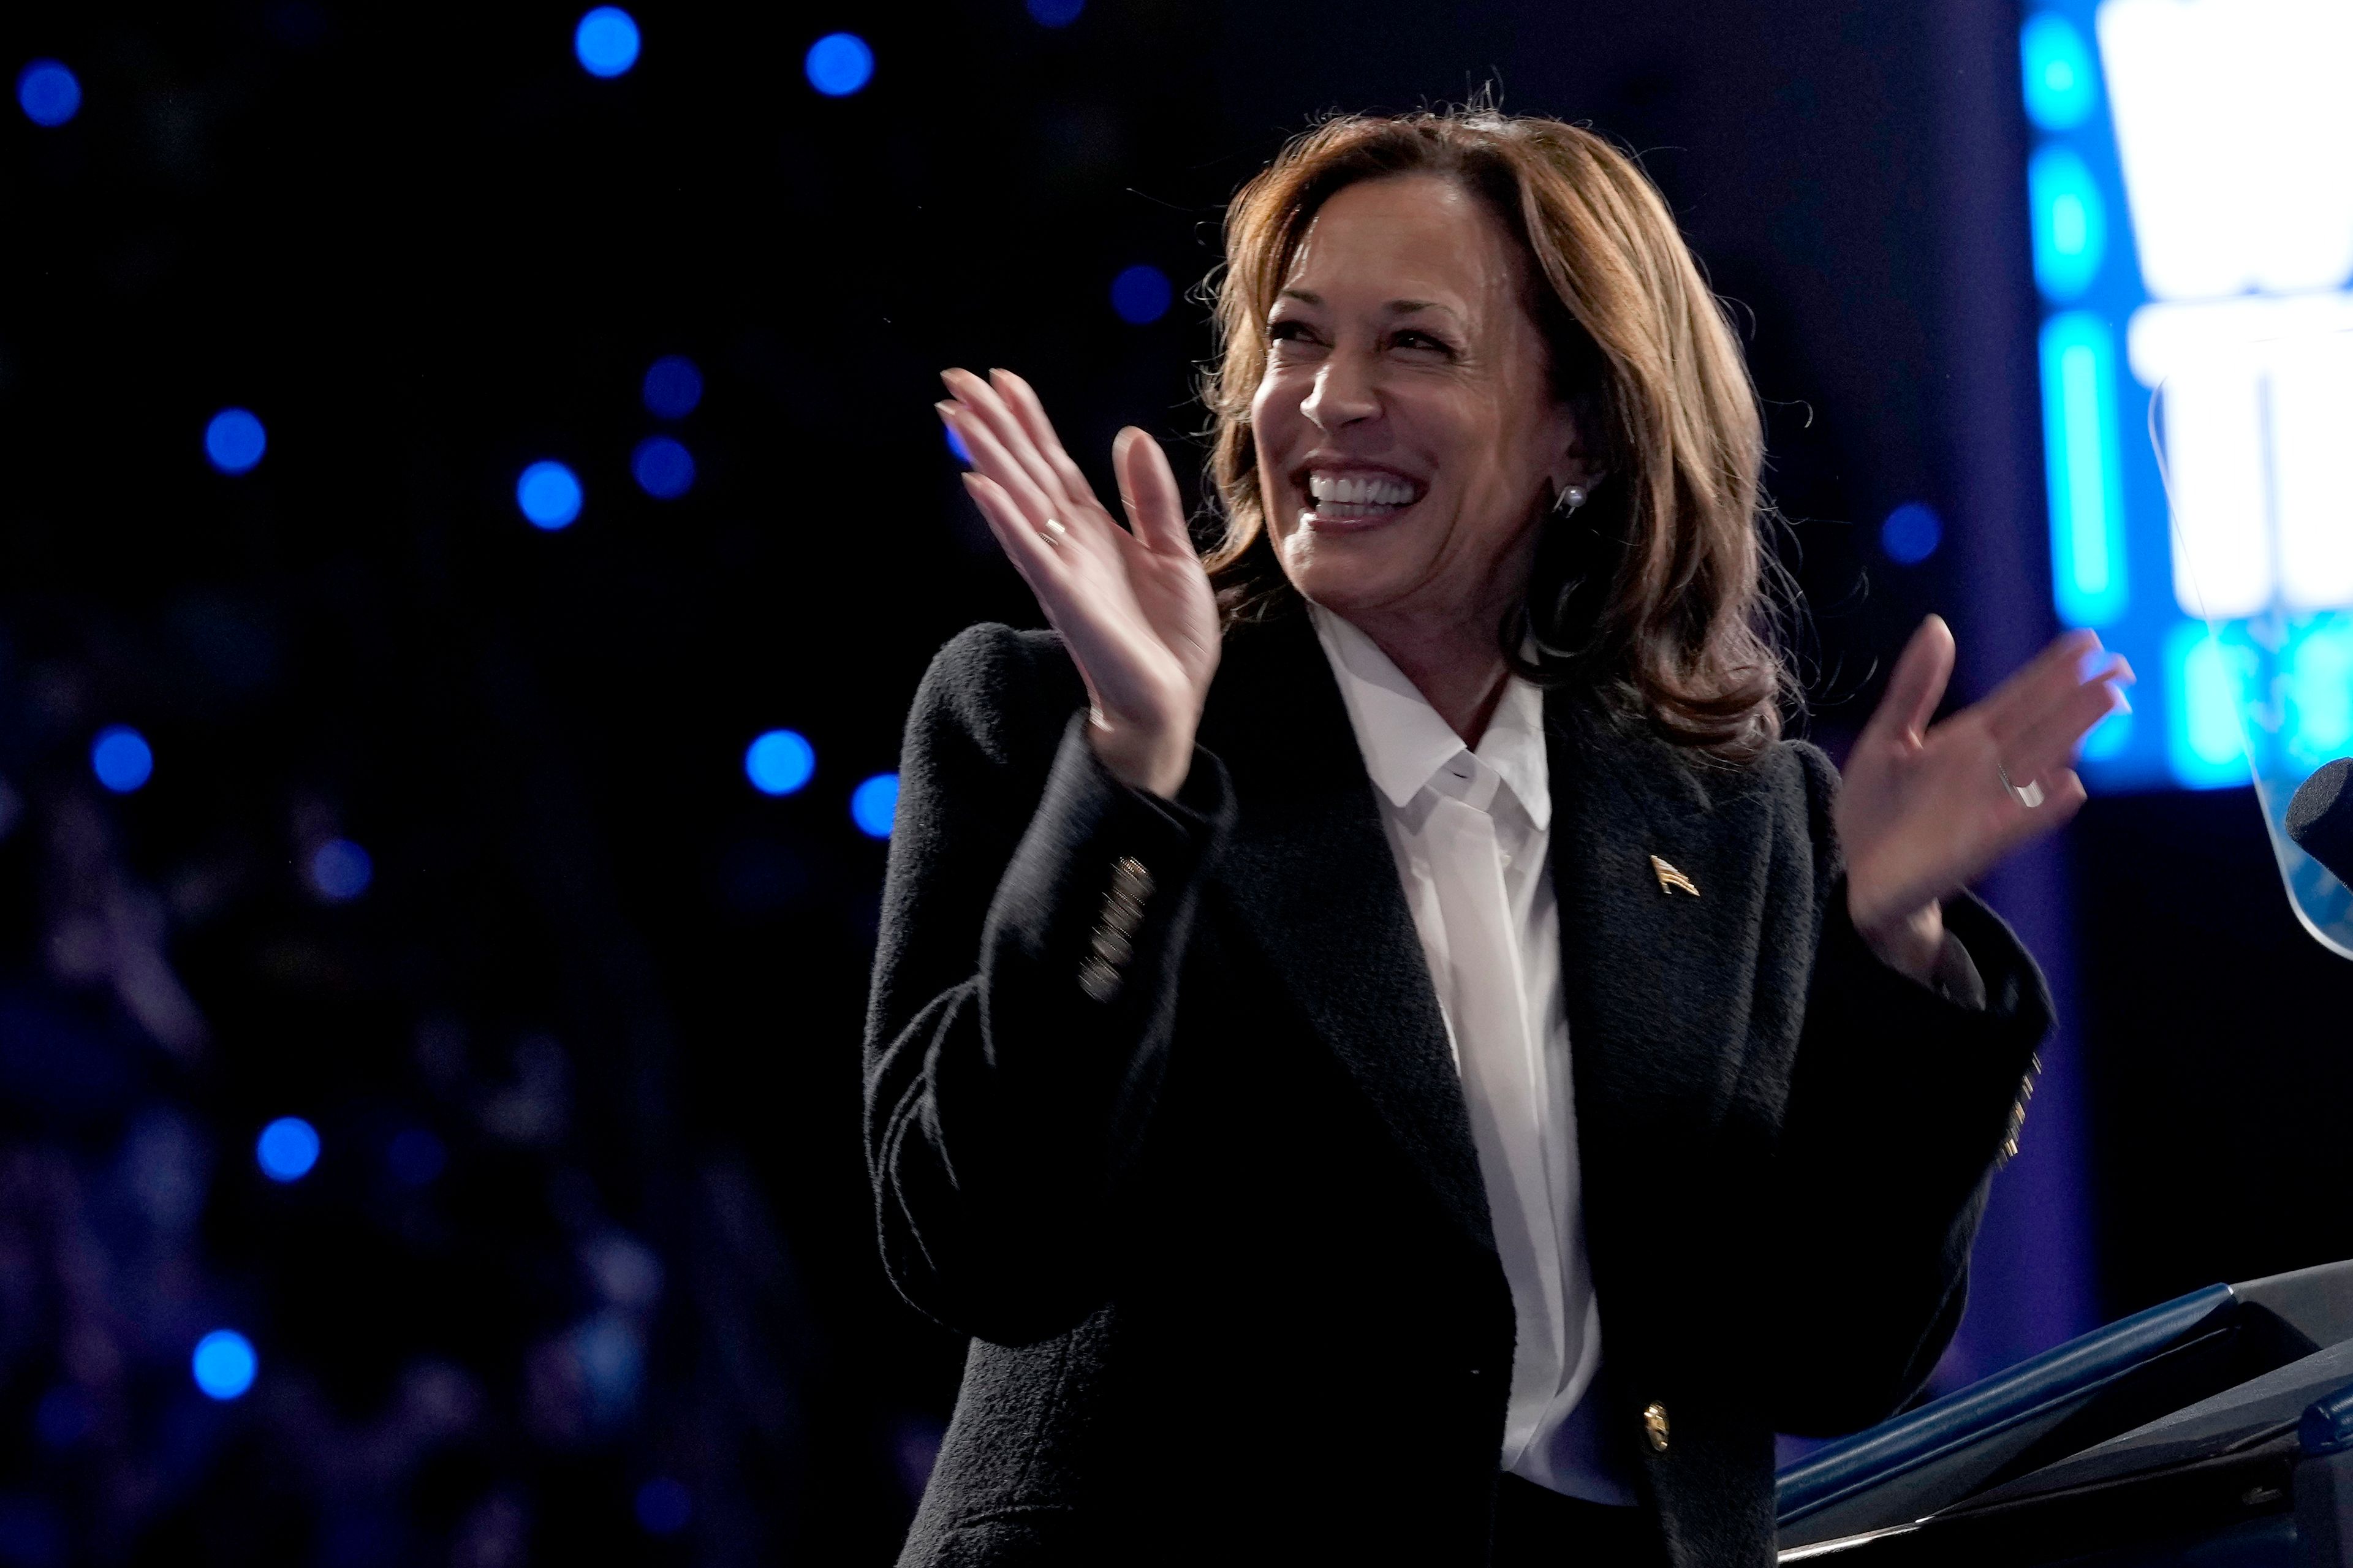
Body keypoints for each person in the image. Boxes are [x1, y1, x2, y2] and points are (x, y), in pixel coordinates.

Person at [865, 108, 2129, 1567]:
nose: (1328, 400)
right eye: (1294, 338)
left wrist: (1887, 950)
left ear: (1580, 427)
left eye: (1417, 345)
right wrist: (1137, 776)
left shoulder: (1741, 815)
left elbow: (1837, 1353)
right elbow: (979, 1242)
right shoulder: (1049, 715)